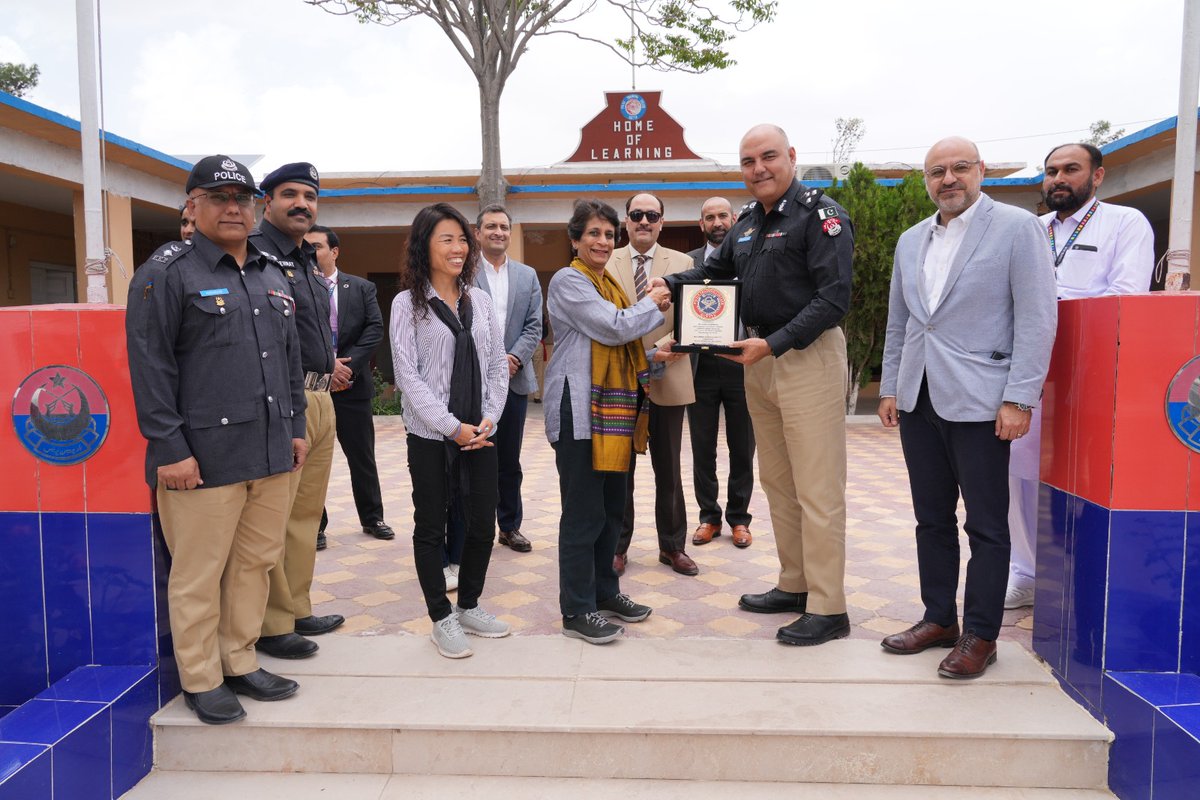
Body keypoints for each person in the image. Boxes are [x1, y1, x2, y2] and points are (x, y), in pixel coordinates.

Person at [656, 124, 854, 647]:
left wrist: (775, 344)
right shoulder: (744, 224)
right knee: (779, 483)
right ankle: (795, 584)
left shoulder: (820, 215)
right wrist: (669, 284)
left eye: (769, 157)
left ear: (791, 156)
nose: (759, 168)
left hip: (806, 356)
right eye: (748, 161)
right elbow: (711, 273)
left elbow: (833, 299)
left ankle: (829, 606)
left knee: (818, 486)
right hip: (758, 359)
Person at [126, 155, 306, 725]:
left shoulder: (271, 271)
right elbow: (150, 367)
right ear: (192, 205)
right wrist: (170, 449)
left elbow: (290, 358)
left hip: (272, 449)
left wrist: (297, 427)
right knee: (199, 572)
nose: (234, 207)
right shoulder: (166, 271)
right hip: (200, 458)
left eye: (242, 198)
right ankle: (202, 678)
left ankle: (240, 659)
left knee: (255, 562)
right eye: (219, 196)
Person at [877, 136, 1057, 679]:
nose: (948, 178)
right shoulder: (911, 240)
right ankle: (939, 619)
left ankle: (981, 633)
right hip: (919, 397)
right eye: (936, 171)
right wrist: (891, 387)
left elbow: (1037, 316)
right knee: (930, 519)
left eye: (959, 168)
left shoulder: (1016, 227)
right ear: (926, 180)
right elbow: (901, 321)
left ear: (981, 171)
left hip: (983, 400)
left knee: (985, 524)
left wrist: (1020, 396)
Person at [1002, 142, 1155, 609]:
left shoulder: (1126, 223)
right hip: (1029, 370)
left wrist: (1047, 306)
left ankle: (1083, 574)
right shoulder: (1032, 229)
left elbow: (1125, 295)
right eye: (1050, 172)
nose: (1058, 179)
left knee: (1085, 475)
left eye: (1071, 169)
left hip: (1092, 372)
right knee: (1019, 473)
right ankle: (1025, 571)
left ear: (1098, 176)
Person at [545, 199, 671, 644]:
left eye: (608, 234)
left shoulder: (609, 282)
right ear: (575, 240)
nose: (602, 241)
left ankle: (604, 592)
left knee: (611, 510)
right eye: (593, 234)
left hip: (612, 414)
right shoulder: (569, 280)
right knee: (583, 514)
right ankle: (576, 610)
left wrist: (655, 356)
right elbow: (614, 327)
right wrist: (653, 304)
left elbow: (621, 344)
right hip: (580, 410)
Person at [390, 202, 511, 659]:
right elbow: (407, 374)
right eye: (447, 239)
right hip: (429, 435)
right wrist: (449, 427)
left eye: (463, 238)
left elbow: (496, 363)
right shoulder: (408, 304)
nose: (459, 247)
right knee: (431, 526)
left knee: (482, 522)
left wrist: (489, 417)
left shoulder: (478, 300)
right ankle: (441, 617)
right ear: (424, 245)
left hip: (480, 431)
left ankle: (470, 605)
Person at [250, 163, 347, 661]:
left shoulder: (306, 257)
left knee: (306, 516)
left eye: (310, 196)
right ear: (266, 201)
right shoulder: (254, 254)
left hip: (320, 396)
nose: (302, 204)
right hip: (284, 402)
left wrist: (331, 368)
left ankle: (296, 607)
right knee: (275, 517)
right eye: (290, 194)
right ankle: (270, 624)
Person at [609, 193, 698, 577]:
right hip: (620, 379)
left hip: (670, 374)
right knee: (618, 469)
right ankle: (616, 547)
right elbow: (605, 319)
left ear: (662, 221)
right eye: (636, 215)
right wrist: (641, 355)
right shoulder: (605, 262)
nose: (644, 221)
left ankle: (673, 547)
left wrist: (662, 348)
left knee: (670, 468)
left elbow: (695, 313)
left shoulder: (683, 264)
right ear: (625, 222)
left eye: (652, 215)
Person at [303, 225, 394, 553]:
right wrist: (328, 365)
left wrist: (346, 365)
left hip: (352, 385)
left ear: (335, 251)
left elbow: (374, 329)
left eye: (316, 247)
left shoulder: (361, 287)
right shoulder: (298, 287)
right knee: (314, 461)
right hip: (313, 387)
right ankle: (315, 524)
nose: (310, 253)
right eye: (306, 248)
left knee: (362, 456)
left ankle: (373, 517)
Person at [473, 204, 543, 554]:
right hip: (473, 381)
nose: (497, 232)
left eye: (503, 227)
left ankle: (510, 525)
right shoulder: (463, 273)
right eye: (490, 227)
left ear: (510, 233)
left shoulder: (527, 276)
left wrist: (513, 357)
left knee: (509, 460)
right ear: (478, 233)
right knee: (477, 455)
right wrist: (490, 361)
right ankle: (479, 526)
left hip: (514, 379)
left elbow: (535, 325)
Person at [686, 196, 755, 550]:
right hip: (700, 367)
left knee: (743, 446)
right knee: (703, 448)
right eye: (709, 217)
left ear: (734, 219)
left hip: (742, 363)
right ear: (702, 224)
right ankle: (708, 517)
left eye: (722, 216)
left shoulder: (750, 257)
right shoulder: (691, 264)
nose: (717, 222)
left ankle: (740, 519)